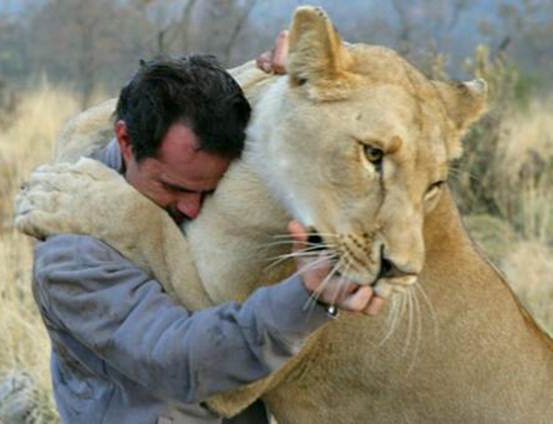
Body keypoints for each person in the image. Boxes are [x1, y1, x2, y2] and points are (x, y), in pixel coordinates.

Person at [31, 35, 384, 424]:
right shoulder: (72, 254)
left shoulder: (205, 165)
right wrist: (308, 298)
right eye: (174, 188)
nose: (193, 208)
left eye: (211, 192)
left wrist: (308, 72)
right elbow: (177, 360)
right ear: (126, 141)